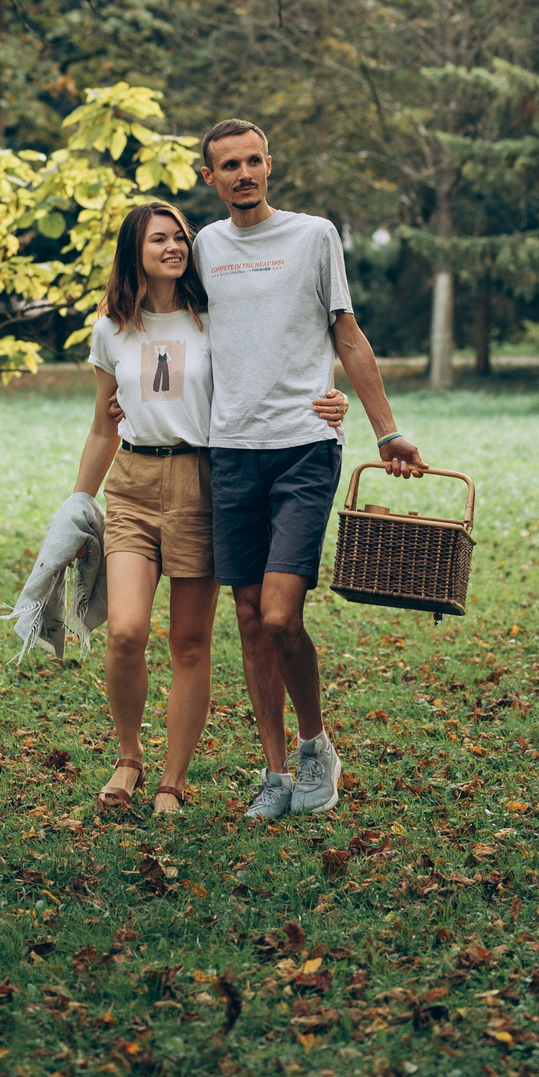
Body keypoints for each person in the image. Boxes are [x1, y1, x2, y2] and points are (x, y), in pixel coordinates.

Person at [70, 201, 350, 816]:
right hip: (134, 482)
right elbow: (101, 426)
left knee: (191, 644)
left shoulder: (210, 317)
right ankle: (128, 759)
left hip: (202, 478)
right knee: (125, 631)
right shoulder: (110, 328)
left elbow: (272, 363)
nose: (173, 248)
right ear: (132, 253)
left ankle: (172, 782)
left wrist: (328, 401)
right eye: (157, 241)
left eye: (179, 238)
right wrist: (76, 503)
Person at [192, 120, 424, 822]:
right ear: (211, 177)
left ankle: (315, 743)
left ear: (270, 164)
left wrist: (388, 430)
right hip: (230, 448)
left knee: (280, 613)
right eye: (229, 165)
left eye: (254, 160)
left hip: (303, 446)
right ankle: (272, 773)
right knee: (246, 615)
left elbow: (345, 333)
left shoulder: (314, 235)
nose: (244, 173)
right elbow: (189, 332)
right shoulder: (204, 245)